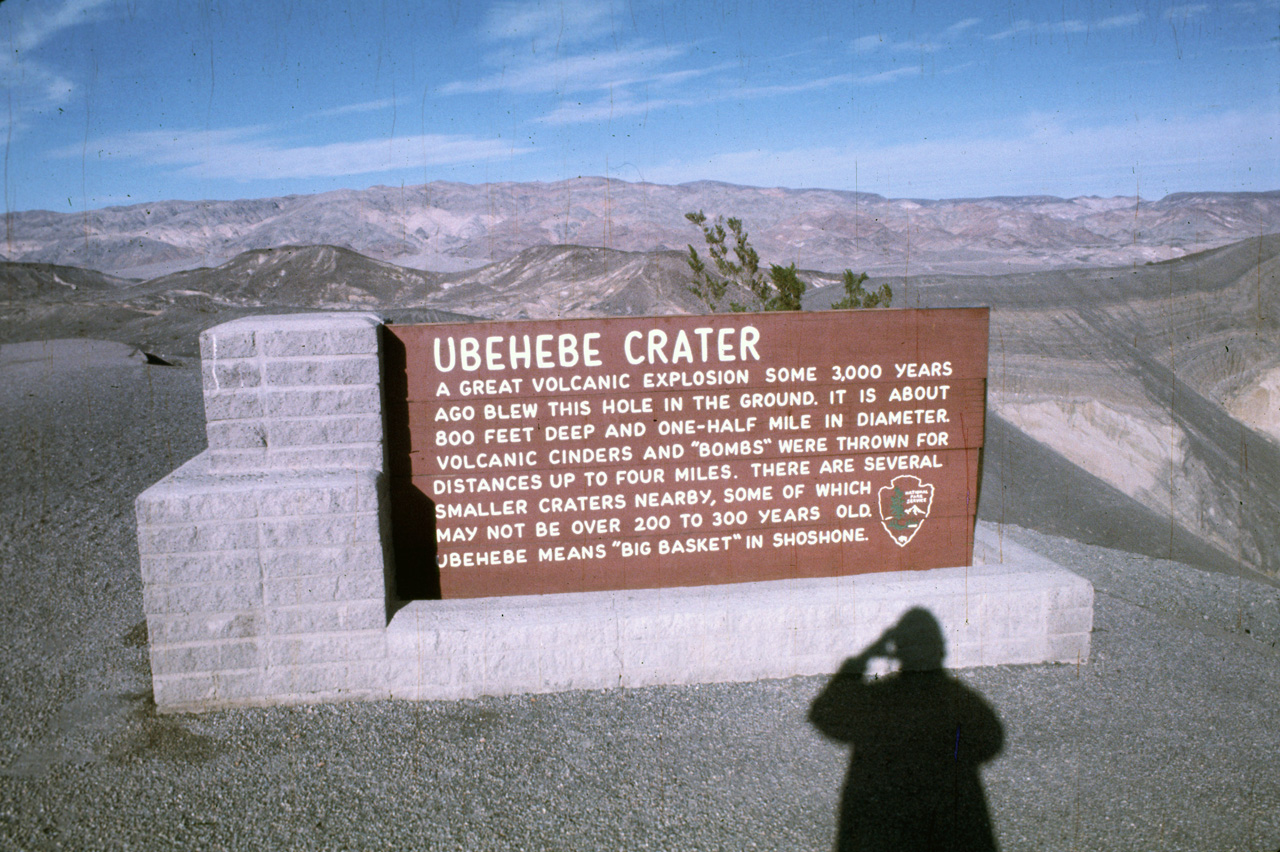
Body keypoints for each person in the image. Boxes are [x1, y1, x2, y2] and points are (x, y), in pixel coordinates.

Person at [809, 608, 1004, 852]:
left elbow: (823, 714)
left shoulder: (878, 701)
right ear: (940, 651)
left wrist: (863, 658)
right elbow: (992, 741)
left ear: (898, 651)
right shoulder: (960, 700)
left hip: (886, 828)